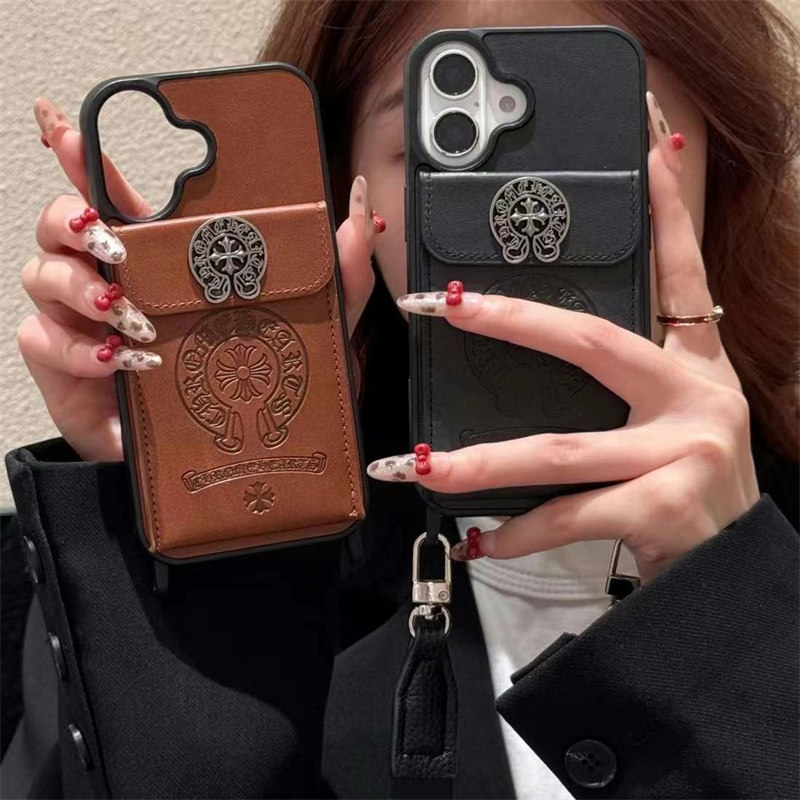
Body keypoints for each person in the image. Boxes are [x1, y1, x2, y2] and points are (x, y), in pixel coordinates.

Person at [4, 1, 798, 797]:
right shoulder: (294, 568)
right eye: (441, 151)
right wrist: (203, 527)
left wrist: (729, 600)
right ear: (340, 189)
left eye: (594, 134)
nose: (518, 203)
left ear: (716, 155)